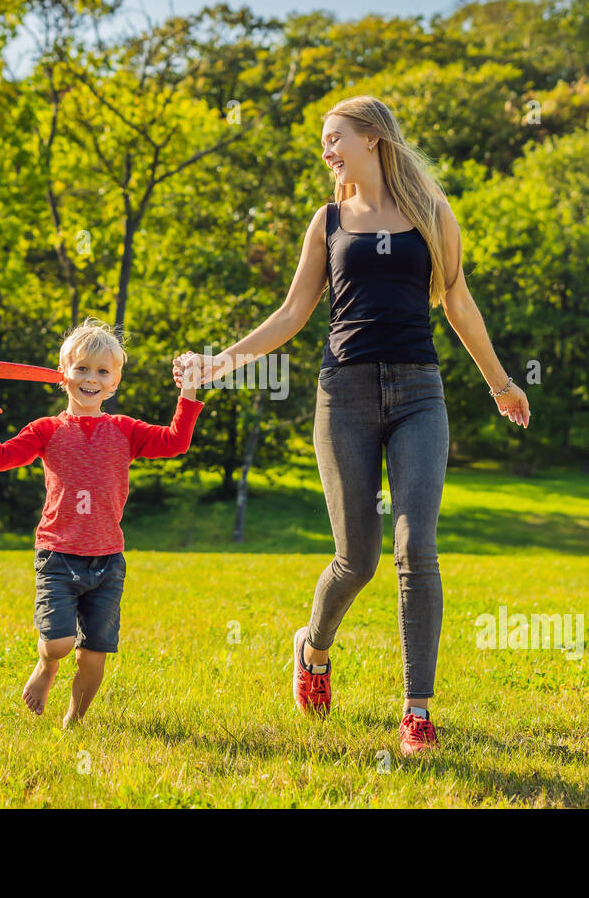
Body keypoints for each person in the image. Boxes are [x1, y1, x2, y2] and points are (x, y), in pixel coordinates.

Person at [173, 96, 529, 755]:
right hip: (345, 397)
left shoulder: (431, 213)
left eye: (335, 137)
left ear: (373, 138)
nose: (326, 150)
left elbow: (458, 300)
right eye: (322, 142)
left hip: (420, 393)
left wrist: (501, 382)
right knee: (357, 559)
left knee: (416, 549)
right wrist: (218, 363)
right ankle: (313, 648)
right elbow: (291, 314)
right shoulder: (328, 220)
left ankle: (416, 711)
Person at [0, 317, 203, 728]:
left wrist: (189, 388)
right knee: (59, 643)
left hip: (107, 561)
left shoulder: (125, 430)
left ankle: (74, 720)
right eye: (82, 369)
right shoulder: (47, 430)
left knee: (94, 655)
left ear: (114, 383)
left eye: (102, 371)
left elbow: (176, 441)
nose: (91, 378)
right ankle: (47, 666)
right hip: (57, 555)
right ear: (63, 375)